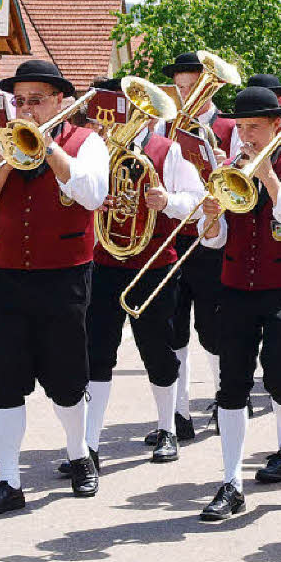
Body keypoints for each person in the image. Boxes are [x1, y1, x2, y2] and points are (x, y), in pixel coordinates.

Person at [0, 60, 109, 515]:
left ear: (59, 101)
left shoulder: (88, 142)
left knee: (66, 380)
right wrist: (6, 161)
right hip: (6, 278)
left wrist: (47, 148)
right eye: (19, 101)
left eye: (35, 100)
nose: (25, 109)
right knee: (3, 382)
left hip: (64, 277)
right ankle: (9, 480)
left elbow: (93, 194)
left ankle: (80, 455)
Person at [197, 86, 281, 520]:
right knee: (231, 387)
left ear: (277, 128)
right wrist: (210, 216)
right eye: (242, 127)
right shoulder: (227, 168)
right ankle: (231, 482)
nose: (245, 136)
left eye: (255, 128)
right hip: (235, 288)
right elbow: (212, 241)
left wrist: (267, 175)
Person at [69, 101, 205, 474]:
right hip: (106, 262)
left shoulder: (168, 150)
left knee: (157, 349)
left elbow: (195, 201)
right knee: (97, 352)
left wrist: (167, 201)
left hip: (153, 263)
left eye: (126, 112)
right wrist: (100, 200)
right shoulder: (97, 148)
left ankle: (167, 429)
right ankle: (90, 443)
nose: (112, 121)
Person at [157, 52, 237, 440]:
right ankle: (179, 411)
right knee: (173, 329)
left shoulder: (228, 126)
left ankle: (227, 400)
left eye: (194, 87)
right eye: (182, 88)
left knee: (213, 327)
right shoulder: (165, 126)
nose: (186, 95)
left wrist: (227, 163)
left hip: (211, 238)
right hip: (173, 236)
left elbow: (245, 182)